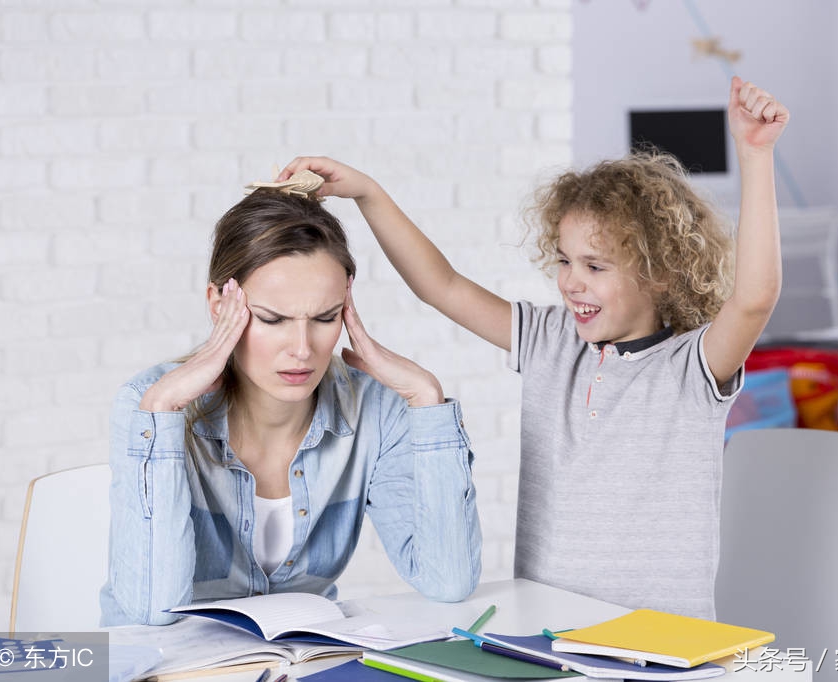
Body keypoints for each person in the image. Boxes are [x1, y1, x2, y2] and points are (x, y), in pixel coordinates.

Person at [278, 76, 788, 620]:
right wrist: (367, 193)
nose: (571, 282)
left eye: (595, 266)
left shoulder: (691, 368)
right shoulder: (552, 340)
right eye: (565, 261)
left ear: (659, 274)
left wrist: (755, 156)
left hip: (662, 644)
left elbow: (753, 300)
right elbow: (441, 286)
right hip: (549, 632)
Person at [99, 184, 482, 627]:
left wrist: (426, 399)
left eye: (324, 318)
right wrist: (163, 410)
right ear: (219, 305)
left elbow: (448, 581)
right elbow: (151, 610)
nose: (302, 349)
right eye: (272, 319)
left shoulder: (376, 411)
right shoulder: (149, 404)